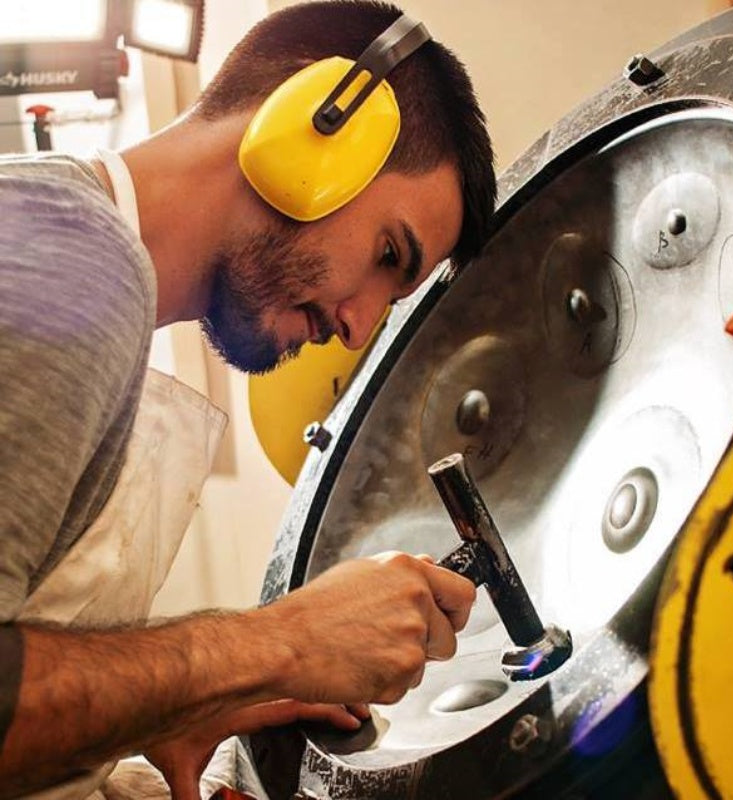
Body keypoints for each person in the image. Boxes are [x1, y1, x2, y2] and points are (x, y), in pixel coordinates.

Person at [0, 1, 496, 797]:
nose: (357, 327)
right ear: (316, 126)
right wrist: (280, 643)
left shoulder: (63, 240)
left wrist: (161, 709)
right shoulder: (73, 264)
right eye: (387, 253)